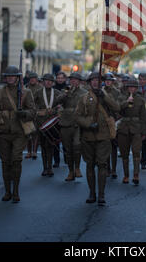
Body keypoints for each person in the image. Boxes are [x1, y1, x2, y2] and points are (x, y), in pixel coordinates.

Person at [0, 66, 35, 203]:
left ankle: (16, 191)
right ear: (5, 78)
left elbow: (32, 111)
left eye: (14, 76)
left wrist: (23, 113)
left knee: (16, 160)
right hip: (3, 132)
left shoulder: (26, 92)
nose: (11, 78)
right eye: (8, 76)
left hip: (19, 132)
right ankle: (7, 191)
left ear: (18, 78)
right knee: (5, 162)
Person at [75, 72, 120, 206]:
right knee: (90, 165)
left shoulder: (107, 95)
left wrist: (105, 97)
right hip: (88, 136)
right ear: (89, 82)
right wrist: (89, 123)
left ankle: (101, 194)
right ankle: (92, 193)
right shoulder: (83, 98)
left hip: (104, 135)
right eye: (93, 80)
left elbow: (117, 108)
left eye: (98, 80)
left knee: (102, 164)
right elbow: (77, 116)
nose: (95, 82)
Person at [117, 77, 146, 185]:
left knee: (136, 152)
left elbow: (143, 117)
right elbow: (117, 109)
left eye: (134, 87)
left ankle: (136, 174)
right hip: (123, 128)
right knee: (124, 153)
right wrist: (126, 102)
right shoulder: (121, 97)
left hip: (136, 128)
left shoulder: (141, 100)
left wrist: (144, 132)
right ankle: (126, 175)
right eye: (130, 87)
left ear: (136, 88)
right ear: (127, 87)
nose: (132, 89)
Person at [58, 72, 87, 181]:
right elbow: (57, 101)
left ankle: (77, 168)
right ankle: (70, 171)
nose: (73, 81)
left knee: (77, 146)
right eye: (72, 80)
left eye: (75, 80)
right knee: (68, 149)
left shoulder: (84, 92)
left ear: (79, 82)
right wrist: (66, 93)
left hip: (77, 123)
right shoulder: (64, 91)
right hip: (65, 122)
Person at [34, 74, 63, 177]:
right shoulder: (37, 93)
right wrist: (38, 112)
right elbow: (32, 106)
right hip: (41, 123)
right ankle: (44, 168)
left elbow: (62, 105)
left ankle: (50, 167)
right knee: (43, 146)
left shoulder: (57, 93)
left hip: (53, 123)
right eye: (46, 80)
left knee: (51, 145)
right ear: (43, 82)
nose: (48, 82)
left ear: (53, 82)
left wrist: (57, 109)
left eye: (50, 81)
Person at [103, 72, 122, 179]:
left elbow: (118, 106)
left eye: (110, 80)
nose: (108, 82)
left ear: (113, 81)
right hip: (104, 120)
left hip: (114, 120)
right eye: (106, 80)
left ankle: (114, 169)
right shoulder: (100, 91)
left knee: (114, 146)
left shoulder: (117, 92)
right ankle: (107, 168)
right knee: (105, 146)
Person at [25, 72, 42, 159]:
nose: (32, 79)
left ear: (36, 79)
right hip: (27, 113)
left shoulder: (40, 88)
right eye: (31, 78)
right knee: (28, 133)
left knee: (35, 133)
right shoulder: (25, 88)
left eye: (34, 78)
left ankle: (34, 152)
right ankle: (29, 152)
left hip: (37, 113)